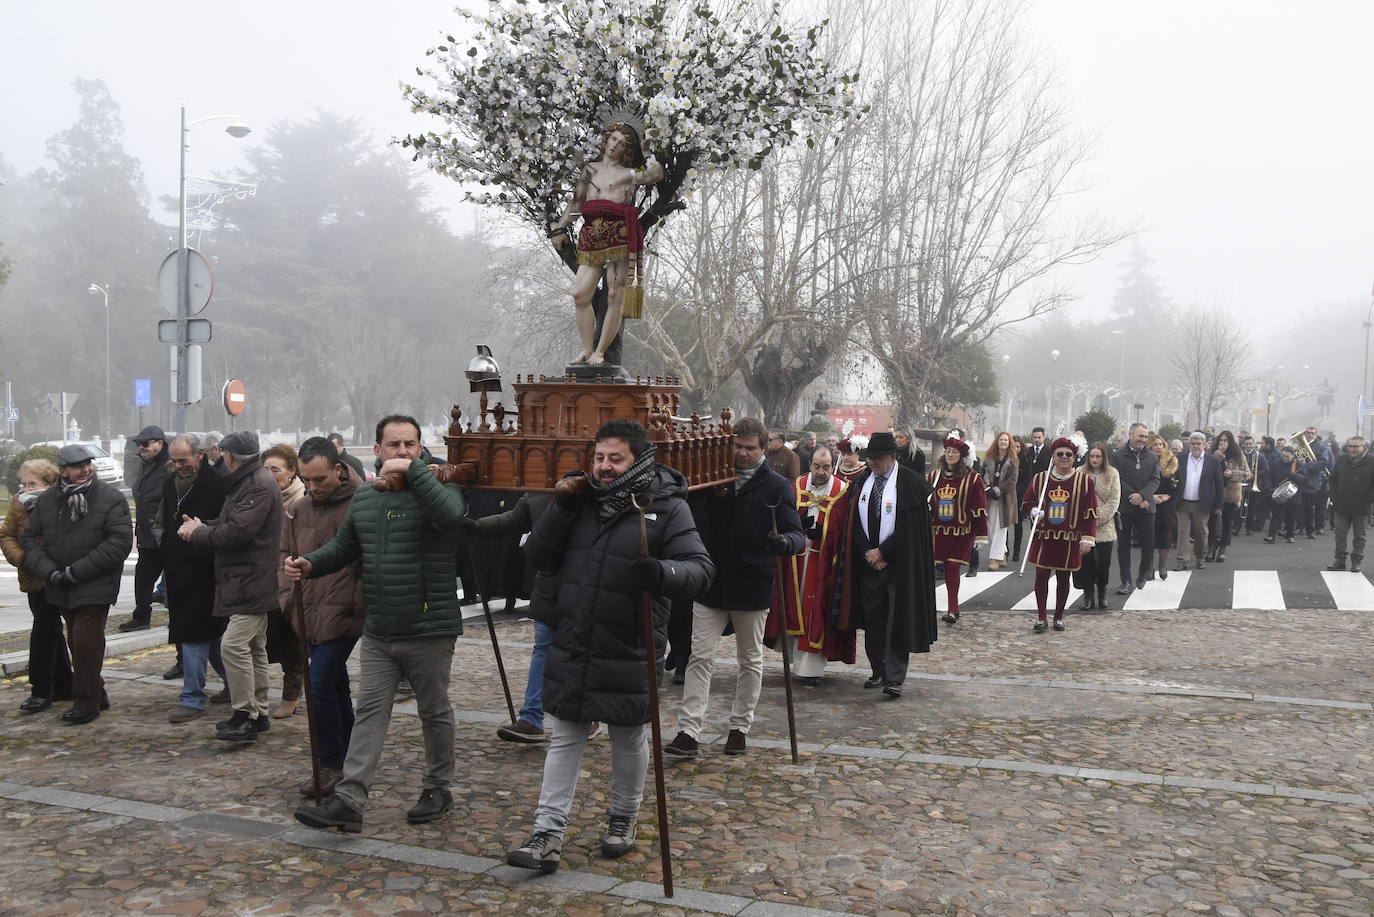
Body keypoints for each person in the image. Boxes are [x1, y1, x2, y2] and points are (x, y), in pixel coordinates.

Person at [505, 419, 713, 873]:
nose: (602, 468)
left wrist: (662, 573)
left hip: (630, 642)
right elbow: (538, 557)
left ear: (637, 459)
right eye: (598, 458)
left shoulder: (667, 507)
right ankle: (547, 832)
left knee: (628, 735)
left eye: (614, 459)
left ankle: (623, 817)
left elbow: (699, 569)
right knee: (565, 737)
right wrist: (561, 506)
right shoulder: (578, 503)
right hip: (576, 637)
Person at [290, 415, 467, 834]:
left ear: (421, 449)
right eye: (394, 445)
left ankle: (438, 788)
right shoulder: (367, 498)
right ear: (377, 450)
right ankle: (349, 800)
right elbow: (345, 546)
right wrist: (310, 563)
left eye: (411, 444)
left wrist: (417, 474)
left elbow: (450, 519)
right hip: (379, 629)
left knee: (434, 711)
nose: (402, 452)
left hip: (429, 627)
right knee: (369, 711)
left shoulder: (443, 488)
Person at [665, 416, 804, 758]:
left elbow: (797, 533)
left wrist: (784, 542)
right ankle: (688, 729)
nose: (741, 453)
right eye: (737, 446)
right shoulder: (713, 479)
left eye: (749, 448)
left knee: (750, 659)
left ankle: (740, 727)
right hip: (711, 581)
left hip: (752, 581)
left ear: (763, 447)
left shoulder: (776, 485)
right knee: (700, 656)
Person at [179, 430, 284, 741]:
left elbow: (238, 533)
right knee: (253, 648)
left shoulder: (257, 485)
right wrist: (202, 525)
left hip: (252, 579)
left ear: (231, 456)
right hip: (245, 578)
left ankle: (244, 713)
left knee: (233, 646)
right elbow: (231, 524)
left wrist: (198, 534)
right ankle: (258, 712)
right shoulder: (248, 483)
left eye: (222, 454)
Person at [21, 444, 133, 724]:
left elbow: (118, 544)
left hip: (95, 584)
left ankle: (86, 703)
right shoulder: (48, 500)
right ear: (62, 471)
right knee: (77, 642)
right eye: (77, 466)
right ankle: (98, 693)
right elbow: (30, 540)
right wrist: (51, 572)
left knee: (84, 642)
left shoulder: (110, 498)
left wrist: (75, 572)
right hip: (60, 584)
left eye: (87, 464)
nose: (84, 469)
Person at [278, 437, 365, 797]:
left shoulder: (362, 502)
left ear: (339, 470)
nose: (313, 488)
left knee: (319, 684)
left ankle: (330, 764)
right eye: (307, 480)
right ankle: (350, 757)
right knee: (334, 685)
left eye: (320, 480)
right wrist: (286, 596)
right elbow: (285, 552)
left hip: (345, 609)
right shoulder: (300, 508)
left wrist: (357, 601)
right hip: (308, 608)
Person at [548, 119, 665, 366]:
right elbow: (577, 202)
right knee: (580, 294)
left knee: (614, 294)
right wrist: (559, 228)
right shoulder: (589, 170)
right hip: (592, 234)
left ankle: (600, 352)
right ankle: (587, 349)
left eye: (622, 144)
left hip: (620, 234)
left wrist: (647, 148)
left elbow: (656, 173)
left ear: (628, 150)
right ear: (606, 139)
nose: (615, 145)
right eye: (613, 139)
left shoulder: (629, 174)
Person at [833, 431, 937, 698]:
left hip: (900, 566)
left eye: (878, 459)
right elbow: (853, 523)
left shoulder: (911, 484)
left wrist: (883, 552)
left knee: (896, 621)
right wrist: (868, 551)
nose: (873, 463)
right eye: (870, 459)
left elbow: (910, 530)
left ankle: (894, 677)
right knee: (873, 620)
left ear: (892, 457)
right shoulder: (862, 483)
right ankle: (878, 669)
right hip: (868, 565)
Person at [460, 492, 559, 743]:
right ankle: (532, 717)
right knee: (543, 651)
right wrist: (477, 526)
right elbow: (514, 519)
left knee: (585, 652)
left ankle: (586, 716)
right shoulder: (540, 492)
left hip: (592, 587)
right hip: (551, 587)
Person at [766, 446, 854, 686]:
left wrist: (823, 533)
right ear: (810, 464)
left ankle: (810, 668)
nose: (821, 471)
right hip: (795, 559)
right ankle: (794, 660)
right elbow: (784, 518)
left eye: (826, 467)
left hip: (822, 561)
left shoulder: (841, 491)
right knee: (793, 605)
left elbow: (843, 527)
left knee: (815, 609)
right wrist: (799, 523)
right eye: (817, 466)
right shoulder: (796, 486)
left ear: (832, 465)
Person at [161, 434, 229, 724]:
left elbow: (225, 527)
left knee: (194, 637)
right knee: (209, 638)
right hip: (178, 570)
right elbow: (166, 521)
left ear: (200, 454)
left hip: (205, 571)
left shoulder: (218, 484)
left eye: (183, 460)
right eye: (174, 461)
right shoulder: (169, 483)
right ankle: (235, 684)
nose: (178, 466)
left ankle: (192, 697)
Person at [0, 459, 72, 714]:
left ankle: (41, 690)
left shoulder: (59, 501)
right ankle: (65, 685)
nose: (26, 489)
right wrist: (21, 558)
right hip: (32, 576)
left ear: (49, 483)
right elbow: (7, 534)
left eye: (33, 484)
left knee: (43, 631)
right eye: (24, 484)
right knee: (50, 629)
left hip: (55, 574)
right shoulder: (18, 504)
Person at [1021, 438, 1097, 633]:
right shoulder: (1040, 479)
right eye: (1060, 454)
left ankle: (1059, 617)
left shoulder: (1084, 481)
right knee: (1041, 576)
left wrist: (1087, 538)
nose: (1064, 458)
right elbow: (1027, 501)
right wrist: (1033, 511)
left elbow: (1090, 512)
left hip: (1069, 539)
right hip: (1044, 537)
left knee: (1064, 578)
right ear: (1053, 456)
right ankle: (1041, 617)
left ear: (1074, 457)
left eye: (1068, 455)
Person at [263, 444, 308, 719]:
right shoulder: (264, 498)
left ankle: (292, 693)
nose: (269, 475)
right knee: (270, 638)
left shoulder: (300, 500)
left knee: (290, 639)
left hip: (293, 576)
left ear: (291, 472)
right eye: (265, 469)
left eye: (275, 469)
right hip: (267, 576)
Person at [929, 438, 987, 624]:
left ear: (962, 456)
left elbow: (979, 508)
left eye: (954, 452)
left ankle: (952, 608)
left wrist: (981, 534)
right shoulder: (934, 476)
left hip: (962, 532)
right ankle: (947, 607)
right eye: (948, 452)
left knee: (953, 567)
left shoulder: (973, 479)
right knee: (943, 568)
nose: (950, 455)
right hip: (938, 531)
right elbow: (927, 501)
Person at [120, 425, 169, 632]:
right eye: (139, 444)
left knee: (174, 580)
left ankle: (179, 620)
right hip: (146, 535)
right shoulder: (144, 465)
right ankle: (141, 617)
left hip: (165, 535)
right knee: (143, 576)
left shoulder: (169, 467)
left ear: (160, 443)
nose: (141, 447)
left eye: (146, 443)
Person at [1110, 423, 1159, 594]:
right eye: (1140, 436)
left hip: (1146, 506)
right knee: (1123, 545)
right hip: (1125, 506)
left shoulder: (1152, 457)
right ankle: (1126, 580)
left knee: (1148, 543)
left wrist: (1143, 496)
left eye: (1145, 437)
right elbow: (1116, 479)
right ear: (1131, 435)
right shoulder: (1117, 456)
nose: (1143, 440)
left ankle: (1142, 573)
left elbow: (1155, 480)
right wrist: (1133, 496)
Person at [1074, 443, 1119, 610]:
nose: (1094, 459)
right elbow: (1075, 498)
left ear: (1103, 457)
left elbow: (1114, 500)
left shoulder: (1112, 473)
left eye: (1098, 456)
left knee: (1103, 563)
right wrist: (1086, 519)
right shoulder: (1079, 472)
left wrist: (1097, 518)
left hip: (1104, 525)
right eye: (1092, 456)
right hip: (1084, 525)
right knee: (1085, 563)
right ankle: (1088, 594)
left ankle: (1102, 591)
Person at [1174, 432, 1224, 571]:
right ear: (1189, 444)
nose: (1196, 446)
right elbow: (1174, 478)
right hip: (1183, 502)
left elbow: (1219, 484)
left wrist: (1219, 504)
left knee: (1201, 532)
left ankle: (1200, 557)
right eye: (1193, 443)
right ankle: (1182, 560)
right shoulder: (1181, 458)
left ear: (1204, 445)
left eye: (1198, 444)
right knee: (1183, 532)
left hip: (1202, 503)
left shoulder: (1212, 461)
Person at [1328, 436, 1374, 573]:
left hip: (1362, 506)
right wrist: (1334, 497)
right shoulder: (1342, 459)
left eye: (1356, 446)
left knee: (1359, 536)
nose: (1352, 449)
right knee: (1340, 534)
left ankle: (1356, 562)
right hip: (1342, 505)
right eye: (1350, 446)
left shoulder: (1372, 462)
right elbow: (1332, 480)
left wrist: (1368, 499)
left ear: (1364, 447)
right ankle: (1340, 561)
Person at [1207, 431, 1250, 563]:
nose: (1223, 442)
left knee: (1226, 522)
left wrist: (1233, 474)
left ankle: (1222, 549)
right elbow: (1207, 469)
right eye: (1221, 440)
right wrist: (1219, 453)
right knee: (1212, 522)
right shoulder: (1213, 453)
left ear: (1230, 442)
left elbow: (1247, 474)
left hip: (1231, 493)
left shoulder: (1238, 455)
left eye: (1226, 440)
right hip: (1214, 493)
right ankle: (1211, 548)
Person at [981, 432, 1019, 570]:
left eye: (1006, 440)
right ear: (997, 441)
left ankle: (995, 559)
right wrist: (988, 489)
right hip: (990, 498)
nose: (1003, 442)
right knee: (991, 527)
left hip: (1006, 498)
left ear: (1009, 443)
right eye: (1001, 439)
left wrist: (998, 490)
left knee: (1001, 527)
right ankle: (1002, 554)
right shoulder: (988, 458)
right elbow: (982, 474)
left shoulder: (1013, 460)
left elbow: (1012, 480)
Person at [1149, 434, 1180, 581]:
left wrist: (1169, 495)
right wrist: (1150, 496)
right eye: (1155, 444)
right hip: (1149, 501)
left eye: (1161, 444)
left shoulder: (1172, 461)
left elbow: (1179, 483)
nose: (1158, 447)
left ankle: (1162, 565)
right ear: (1150, 446)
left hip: (1167, 503)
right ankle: (1149, 567)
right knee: (1148, 535)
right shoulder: (1145, 461)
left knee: (1165, 535)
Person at [1265, 446, 1303, 544]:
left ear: (1292, 455)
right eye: (1283, 456)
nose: (1285, 458)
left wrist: (1295, 476)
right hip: (1277, 492)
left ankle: (1290, 535)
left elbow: (1305, 478)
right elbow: (1269, 476)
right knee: (1275, 516)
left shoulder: (1298, 464)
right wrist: (1268, 487)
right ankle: (1271, 536)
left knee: (1290, 517)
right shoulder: (1276, 463)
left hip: (1292, 495)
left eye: (1287, 456)